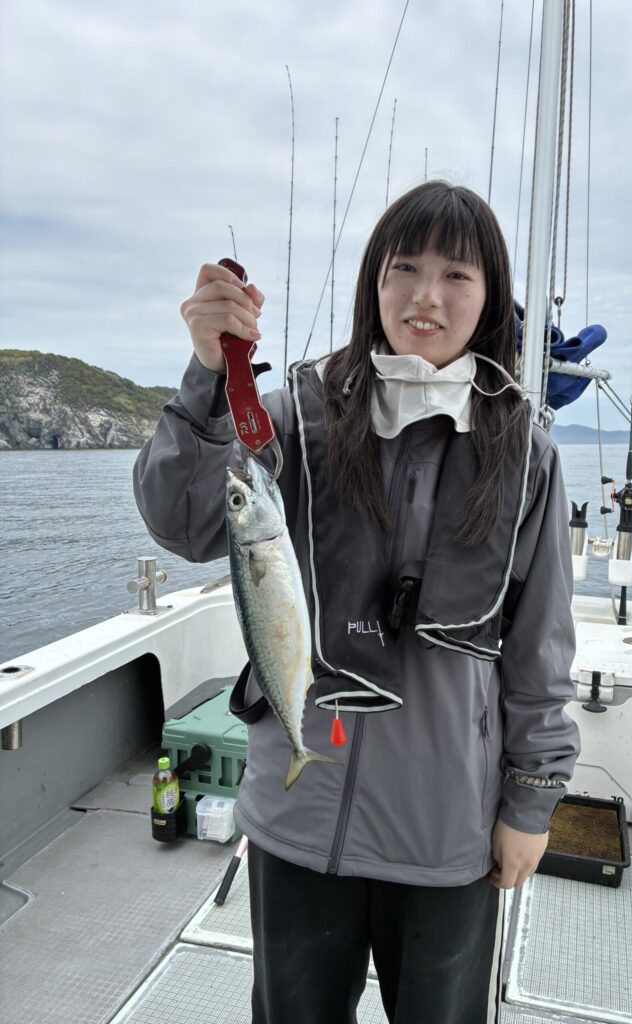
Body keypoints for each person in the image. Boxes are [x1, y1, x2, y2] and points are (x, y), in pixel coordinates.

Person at [134, 180, 580, 1024]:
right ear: (372, 281)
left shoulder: (527, 455)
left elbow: (540, 652)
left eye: (457, 274)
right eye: (402, 268)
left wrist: (530, 804)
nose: (424, 296)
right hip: (298, 821)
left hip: (444, 833)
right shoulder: (290, 421)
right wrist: (209, 374)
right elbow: (183, 522)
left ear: (490, 298)